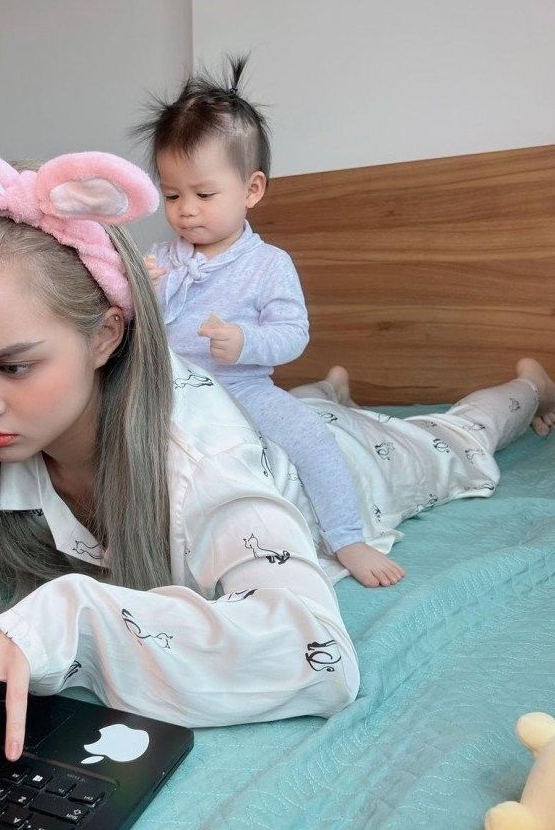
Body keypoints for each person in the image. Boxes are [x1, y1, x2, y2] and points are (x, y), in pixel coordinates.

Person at [0, 138, 555, 766]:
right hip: (255, 420)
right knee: (304, 408)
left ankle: (526, 386)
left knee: (455, 441)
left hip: (342, 464)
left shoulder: (194, 452)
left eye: (14, 366)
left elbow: (315, 652)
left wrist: (73, 613)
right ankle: (322, 396)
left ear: (106, 336)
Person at [136, 55, 403, 587]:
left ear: (251, 190)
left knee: (311, 439)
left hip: (243, 387)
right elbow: (141, 333)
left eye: (204, 194)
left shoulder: (268, 264)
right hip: (172, 390)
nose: (186, 209)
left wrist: (244, 342)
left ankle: (348, 537)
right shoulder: (161, 259)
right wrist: (145, 295)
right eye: (171, 195)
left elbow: (292, 335)